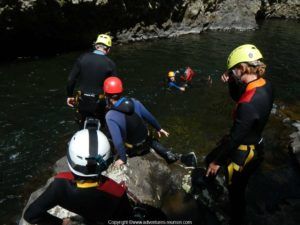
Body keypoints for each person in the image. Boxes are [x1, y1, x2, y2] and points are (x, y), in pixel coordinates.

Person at [205, 44, 274, 225]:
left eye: (233, 70)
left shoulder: (248, 105)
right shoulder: (265, 85)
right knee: (238, 187)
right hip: (256, 143)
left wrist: (217, 162)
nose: (231, 73)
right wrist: (230, 81)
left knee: (235, 190)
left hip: (245, 153)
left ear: (243, 68)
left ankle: (236, 219)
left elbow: (236, 137)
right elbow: (240, 98)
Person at [24, 128, 133, 225]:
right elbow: (127, 218)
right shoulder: (117, 192)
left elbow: (31, 215)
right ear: (107, 162)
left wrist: (61, 222)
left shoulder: (60, 185)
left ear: (70, 159)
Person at [103, 76, 183, 167]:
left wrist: (122, 158)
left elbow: (117, 141)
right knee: (151, 140)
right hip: (146, 141)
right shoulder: (134, 101)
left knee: (112, 138)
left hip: (133, 149)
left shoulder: (110, 116)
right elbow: (149, 117)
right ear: (121, 91)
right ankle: (167, 153)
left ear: (106, 94)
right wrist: (159, 128)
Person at [66, 34, 116, 128]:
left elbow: (70, 79)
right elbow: (114, 87)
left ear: (95, 46)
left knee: (82, 123)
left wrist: (69, 95)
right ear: (108, 49)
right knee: (102, 125)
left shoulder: (82, 58)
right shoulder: (110, 64)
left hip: (82, 100)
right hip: (99, 104)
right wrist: (111, 102)